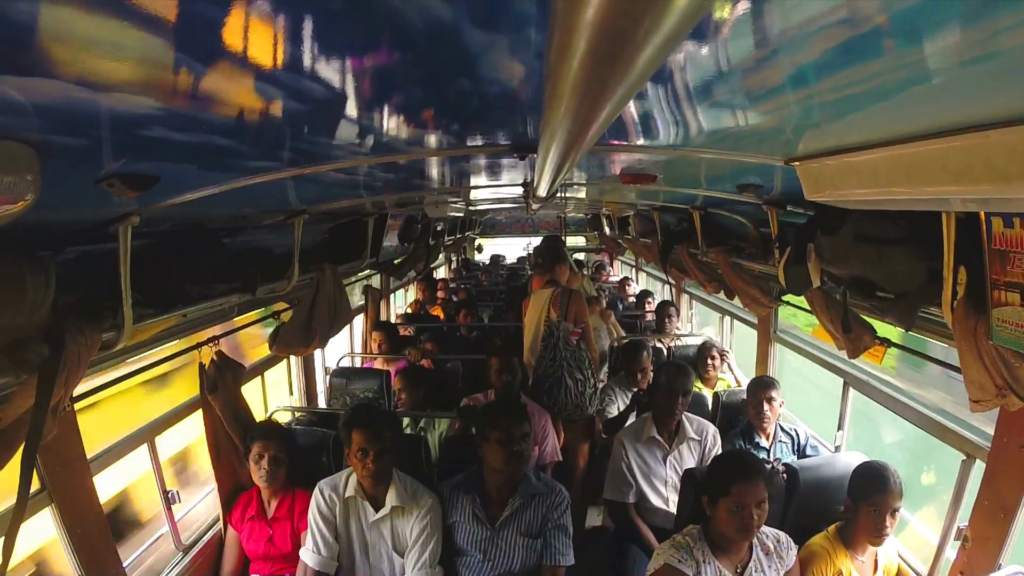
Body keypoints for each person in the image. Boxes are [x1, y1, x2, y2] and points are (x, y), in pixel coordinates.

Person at [603, 361, 722, 576]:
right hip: (646, 533)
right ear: (654, 393)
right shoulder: (627, 441)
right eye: (670, 394)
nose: (677, 403)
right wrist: (661, 552)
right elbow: (624, 511)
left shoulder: (707, 435)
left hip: (697, 532)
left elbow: (716, 495)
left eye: (685, 395)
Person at [300, 404, 443, 576]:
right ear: (348, 457)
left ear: (394, 455)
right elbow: (318, 569)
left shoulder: (424, 505)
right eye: (362, 453)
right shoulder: (327, 495)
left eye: (382, 453)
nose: (373, 464)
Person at [439, 398, 574, 576]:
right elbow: (438, 564)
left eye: (525, 438)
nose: (519, 448)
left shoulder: (553, 499)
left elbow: (553, 572)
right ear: (480, 446)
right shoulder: (451, 495)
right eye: (505, 441)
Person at [647, 449, 799, 576]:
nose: (752, 517)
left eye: (760, 504)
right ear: (709, 505)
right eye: (738, 508)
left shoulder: (780, 547)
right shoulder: (679, 560)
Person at [221, 420, 311, 576]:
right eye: (258, 457)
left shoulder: (305, 503)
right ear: (248, 462)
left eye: (277, 459)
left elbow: (309, 567)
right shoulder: (242, 506)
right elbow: (229, 571)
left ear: (288, 464)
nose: (267, 466)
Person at [799, 461, 906, 576]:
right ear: (850, 508)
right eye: (875, 512)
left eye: (894, 512)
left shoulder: (888, 551)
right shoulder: (819, 558)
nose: (886, 524)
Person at [460, 355, 562, 475]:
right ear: (489, 375)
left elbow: (547, 467)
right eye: (499, 372)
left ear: (521, 374)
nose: (507, 378)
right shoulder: (471, 405)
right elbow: (458, 453)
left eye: (513, 371)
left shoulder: (540, 416)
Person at [724, 376, 823, 463]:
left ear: (781, 406)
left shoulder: (797, 437)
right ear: (745, 406)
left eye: (770, 401)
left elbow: (824, 464)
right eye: (755, 402)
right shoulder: (735, 444)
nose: (763, 408)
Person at [598, 339, 654, 439]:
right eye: (631, 372)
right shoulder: (611, 390)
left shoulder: (661, 384)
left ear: (651, 363)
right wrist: (629, 409)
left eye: (643, 371)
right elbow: (607, 430)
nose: (638, 377)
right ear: (623, 367)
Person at [393, 365, 449, 464]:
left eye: (402, 391)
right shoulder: (395, 422)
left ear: (419, 390)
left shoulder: (445, 425)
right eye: (395, 392)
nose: (396, 398)